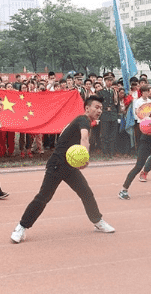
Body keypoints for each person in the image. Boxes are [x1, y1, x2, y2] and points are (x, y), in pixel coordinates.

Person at [10, 95, 115, 243]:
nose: (99, 111)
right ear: (87, 108)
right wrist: (84, 157)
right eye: (96, 107)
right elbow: (84, 139)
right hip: (57, 164)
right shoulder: (83, 119)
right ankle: (21, 227)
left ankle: (98, 222)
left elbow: (83, 140)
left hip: (70, 166)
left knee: (86, 193)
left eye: (101, 109)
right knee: (43, 197)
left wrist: (81, 158)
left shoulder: (82, 121)